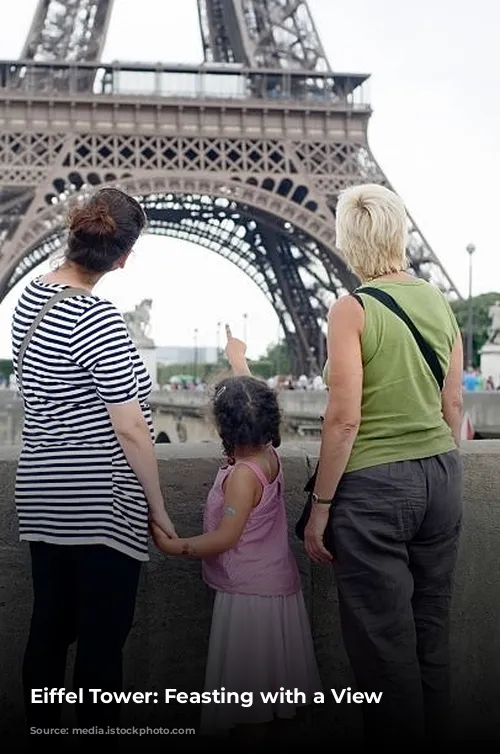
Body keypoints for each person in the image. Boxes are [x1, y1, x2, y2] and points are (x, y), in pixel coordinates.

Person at [11, 187, 177, 751]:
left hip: (41, 491)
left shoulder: (31, 299)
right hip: (100, 501)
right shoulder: (99, 316)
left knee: (48, 630)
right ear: (124, 257)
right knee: (103, 647)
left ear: (73, 232)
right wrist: (158, 510)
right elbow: (131, 428)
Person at [304, 184, 463, 746]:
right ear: (399, 232)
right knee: (430, 633)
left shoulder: (352, 308)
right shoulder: (439, 300)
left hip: (374, 490)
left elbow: (343, 420)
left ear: (350, 241)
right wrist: (438, 468)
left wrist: (320, 509)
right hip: (441, 474)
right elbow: (453, 405)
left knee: (382, 647)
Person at [152, 325, 321, 741]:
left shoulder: (242, 477)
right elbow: (256, 399)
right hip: (275, 587)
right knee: (266, 700)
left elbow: (226, 537)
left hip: (250, 598)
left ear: (223, 427)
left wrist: (177, 547)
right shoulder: (269, 456)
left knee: (251, 710)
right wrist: (238, 361)